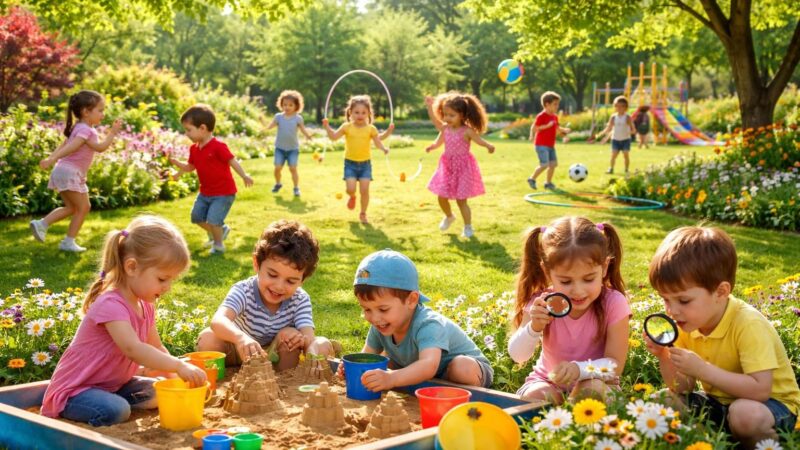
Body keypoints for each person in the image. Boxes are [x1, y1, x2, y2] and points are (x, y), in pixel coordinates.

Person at [41, 215, 207, 426]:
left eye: (171, 280)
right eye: (162, 279)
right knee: (116, 410)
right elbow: (133, 349)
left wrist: (176, 378)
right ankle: (91, 410)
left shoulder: (145, 305)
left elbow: (156, 346)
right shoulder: (111, 304)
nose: (167, 287)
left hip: (115, 385)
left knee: (160, 390)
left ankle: (115, 400)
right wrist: (179, 366)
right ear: (131, 267)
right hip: (76, 391)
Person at [645, 226, 799, 448]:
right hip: (720, 404)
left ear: (721, 292)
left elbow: (760, 389)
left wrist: (703, 370)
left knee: (744, 415)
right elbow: (683, 387)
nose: (672, 310)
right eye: (665, 299)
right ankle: (710, 441)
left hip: (771, 407)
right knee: (662, 401)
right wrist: (663, 355)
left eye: (683, 300)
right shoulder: (687, 323)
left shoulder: (748, 324)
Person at [508, 216, 630, 404]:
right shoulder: (543, 302)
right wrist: (534, 328)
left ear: (604, 267)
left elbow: (615, 365)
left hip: (596, 380)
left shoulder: (613, 303)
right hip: (548, 381)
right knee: (535, 397)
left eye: (588, 279)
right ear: (548, 273)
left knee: (590, 390)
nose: (578, 291)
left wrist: (579, 370)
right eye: (565, 281)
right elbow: (518, 356)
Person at [342, 249, 494, 391]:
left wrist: (391, 378)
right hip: (425, 372)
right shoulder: (380, 325)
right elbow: (367, 358)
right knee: (381, 362)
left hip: (466, 370)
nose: (374, 318)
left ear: (412, 300)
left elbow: (428, 365)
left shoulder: (428, 324)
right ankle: (426, 385)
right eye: (367, 309)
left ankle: (449, 393)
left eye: (383, 309)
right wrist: (353, 369)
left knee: (461, 368)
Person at [196, 220, 336, 371]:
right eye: (272, 275)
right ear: (257, 264)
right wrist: (240, 338)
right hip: (239, 350)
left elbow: (308, 336)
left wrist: (305, 344)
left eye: (290, 281)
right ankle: (224, 379)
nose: (279, 286)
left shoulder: (300, 299)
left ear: (302, 280)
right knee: (208, 338)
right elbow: (218, 321)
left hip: (274, 356)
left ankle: (285, 382)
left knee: (290, 335)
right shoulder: (244, 290)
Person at [30, 90, 123, 252]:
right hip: (70, 172)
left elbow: (64, 145)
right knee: (83, 207)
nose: (103, 114)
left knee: (73, 208)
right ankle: (65, 240)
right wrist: (112, 133)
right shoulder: (87, 131)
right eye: (100, 110)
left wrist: (52, 158)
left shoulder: (78, 127)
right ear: (86, 112)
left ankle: (43, 225)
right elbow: (97, 148)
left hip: (63, 171)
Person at [168, 104, 254, 254]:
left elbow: (232, 161)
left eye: (189, 130)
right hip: (205, 192)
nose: (186, 133)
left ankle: (218, 245)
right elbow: (190, 166)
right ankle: (221, 230)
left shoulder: (218, 147)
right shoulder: (194, 148)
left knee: (214, 220)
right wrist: (177, 170)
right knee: (196, 217)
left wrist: (244, 175)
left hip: (223, 193)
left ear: (202, 128)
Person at [424, 93, 495, 239]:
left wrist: (488, 146)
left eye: (451, 115)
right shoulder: (445, 129)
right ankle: (449, 216)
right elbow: (438, 140)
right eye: (445, 114)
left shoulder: (467, 131)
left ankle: (468, 227)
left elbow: (479, 140)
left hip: (463, 169)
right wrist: (432, 146)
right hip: (447, 167)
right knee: (441, 196)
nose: (447, 118)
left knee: (461, 200)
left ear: (462, 115)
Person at [322, 95, 393, 224]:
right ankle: (352, 196)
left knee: (365, 190)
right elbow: (333, 137)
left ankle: (363, 213)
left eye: (363, 112)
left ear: (368, 114)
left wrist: (385, 143)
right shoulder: (346, 127)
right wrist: (327, 127)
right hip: (350, 164)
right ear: (350, 113)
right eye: (356, 112)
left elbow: (378, 141)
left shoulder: (371, 129)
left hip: (365, 165)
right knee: (350, 188)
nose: (360, 115)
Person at [266, 90, 313, 197]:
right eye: (285, 105)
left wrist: (308, 136)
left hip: (293, 149)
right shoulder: (278, 117)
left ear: (296, 106)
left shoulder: (298, 118)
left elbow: (303, 129)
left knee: (293, 168)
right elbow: (270, 125)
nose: (287, 107)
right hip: (280, 148)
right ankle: (278, 184)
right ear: (281, 105)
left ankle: (296, 188)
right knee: (277, 167)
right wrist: (264, 127)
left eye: (290, 105)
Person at [527, 91, 571, 191]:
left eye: (557, 104)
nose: (557, 106)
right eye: (555, 104)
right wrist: (546, 126)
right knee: (544, 164)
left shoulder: (554, 116)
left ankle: (548, 183)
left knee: (553, 164)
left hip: (550, 145)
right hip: (541, 144)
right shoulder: (541, 116)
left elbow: (557, 129)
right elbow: (535, 128)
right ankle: (532, 179)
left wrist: (564, 132)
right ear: (547, 104)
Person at [596, 96, 636, 175]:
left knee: (625, 154)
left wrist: (631, 132)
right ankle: (611, 168)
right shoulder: (613, 117)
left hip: (625, 140)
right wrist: (602, 134)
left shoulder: (627, 117)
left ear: (625, 107)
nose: (619, 108)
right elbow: (609, 128)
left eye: (621, 106)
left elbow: (633, 129)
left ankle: (626, 169)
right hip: (615, 139)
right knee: (614, 155)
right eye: (617, 106)